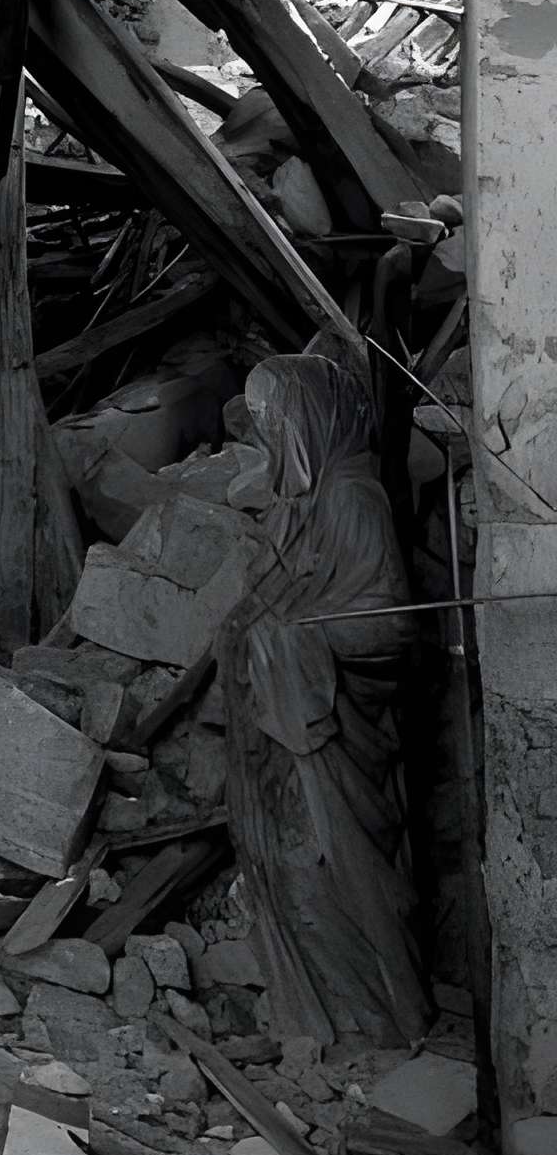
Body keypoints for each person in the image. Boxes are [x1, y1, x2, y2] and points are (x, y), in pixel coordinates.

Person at [218, 353, 431, 1049]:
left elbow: (393, 621)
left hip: (336, 731)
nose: (267, 437)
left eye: (274, 421)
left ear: (311, 421)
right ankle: (320, 1018)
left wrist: (293, 635)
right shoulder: (302, 504)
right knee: (290, 864)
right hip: (290, 732)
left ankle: (371, 1021)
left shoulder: (351, 498)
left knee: (328, 870)